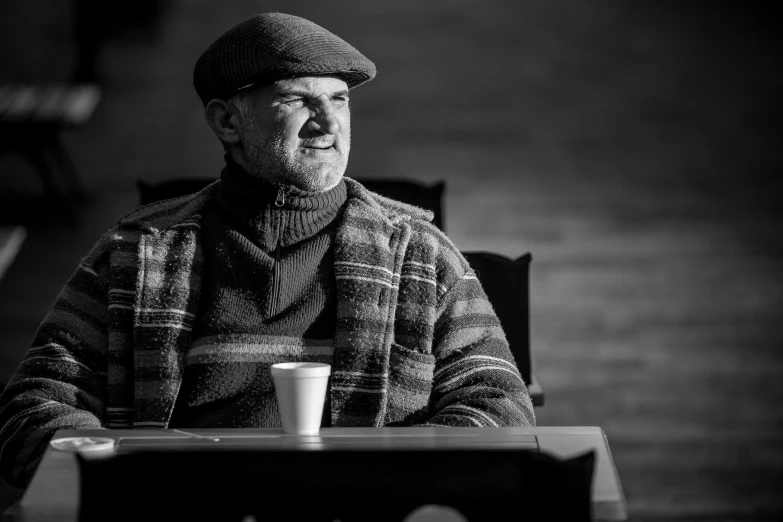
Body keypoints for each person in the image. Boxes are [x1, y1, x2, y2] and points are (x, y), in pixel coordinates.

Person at [0, 12, 535, 489]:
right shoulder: (137, 256)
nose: (328, 123)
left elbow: (499, 404)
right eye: (298, 98)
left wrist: (394, 482)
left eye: (339, 100)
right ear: (227, 121)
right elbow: (34, 406)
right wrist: (136, 481)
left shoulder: (418, 254)